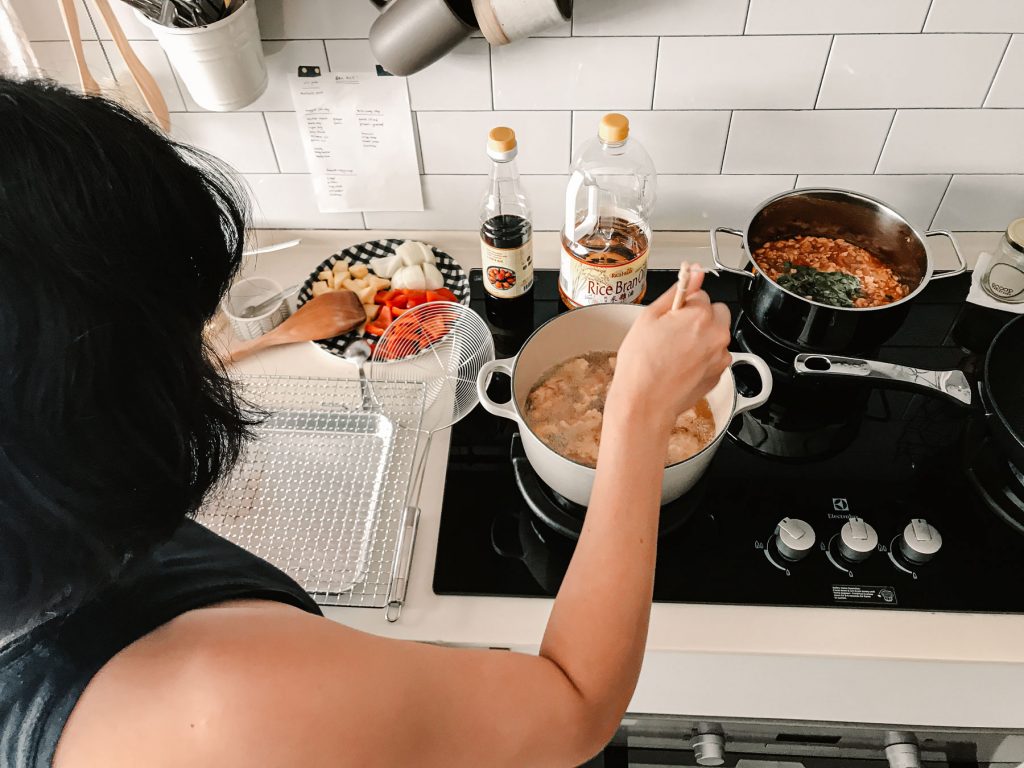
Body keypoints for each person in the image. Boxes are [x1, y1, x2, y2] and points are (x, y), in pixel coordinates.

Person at [0, 76, 732, 768]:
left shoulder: (39, 525)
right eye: (179, 338)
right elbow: (575, 710)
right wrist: (637, 412)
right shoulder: (225, 708)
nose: (201, 361)